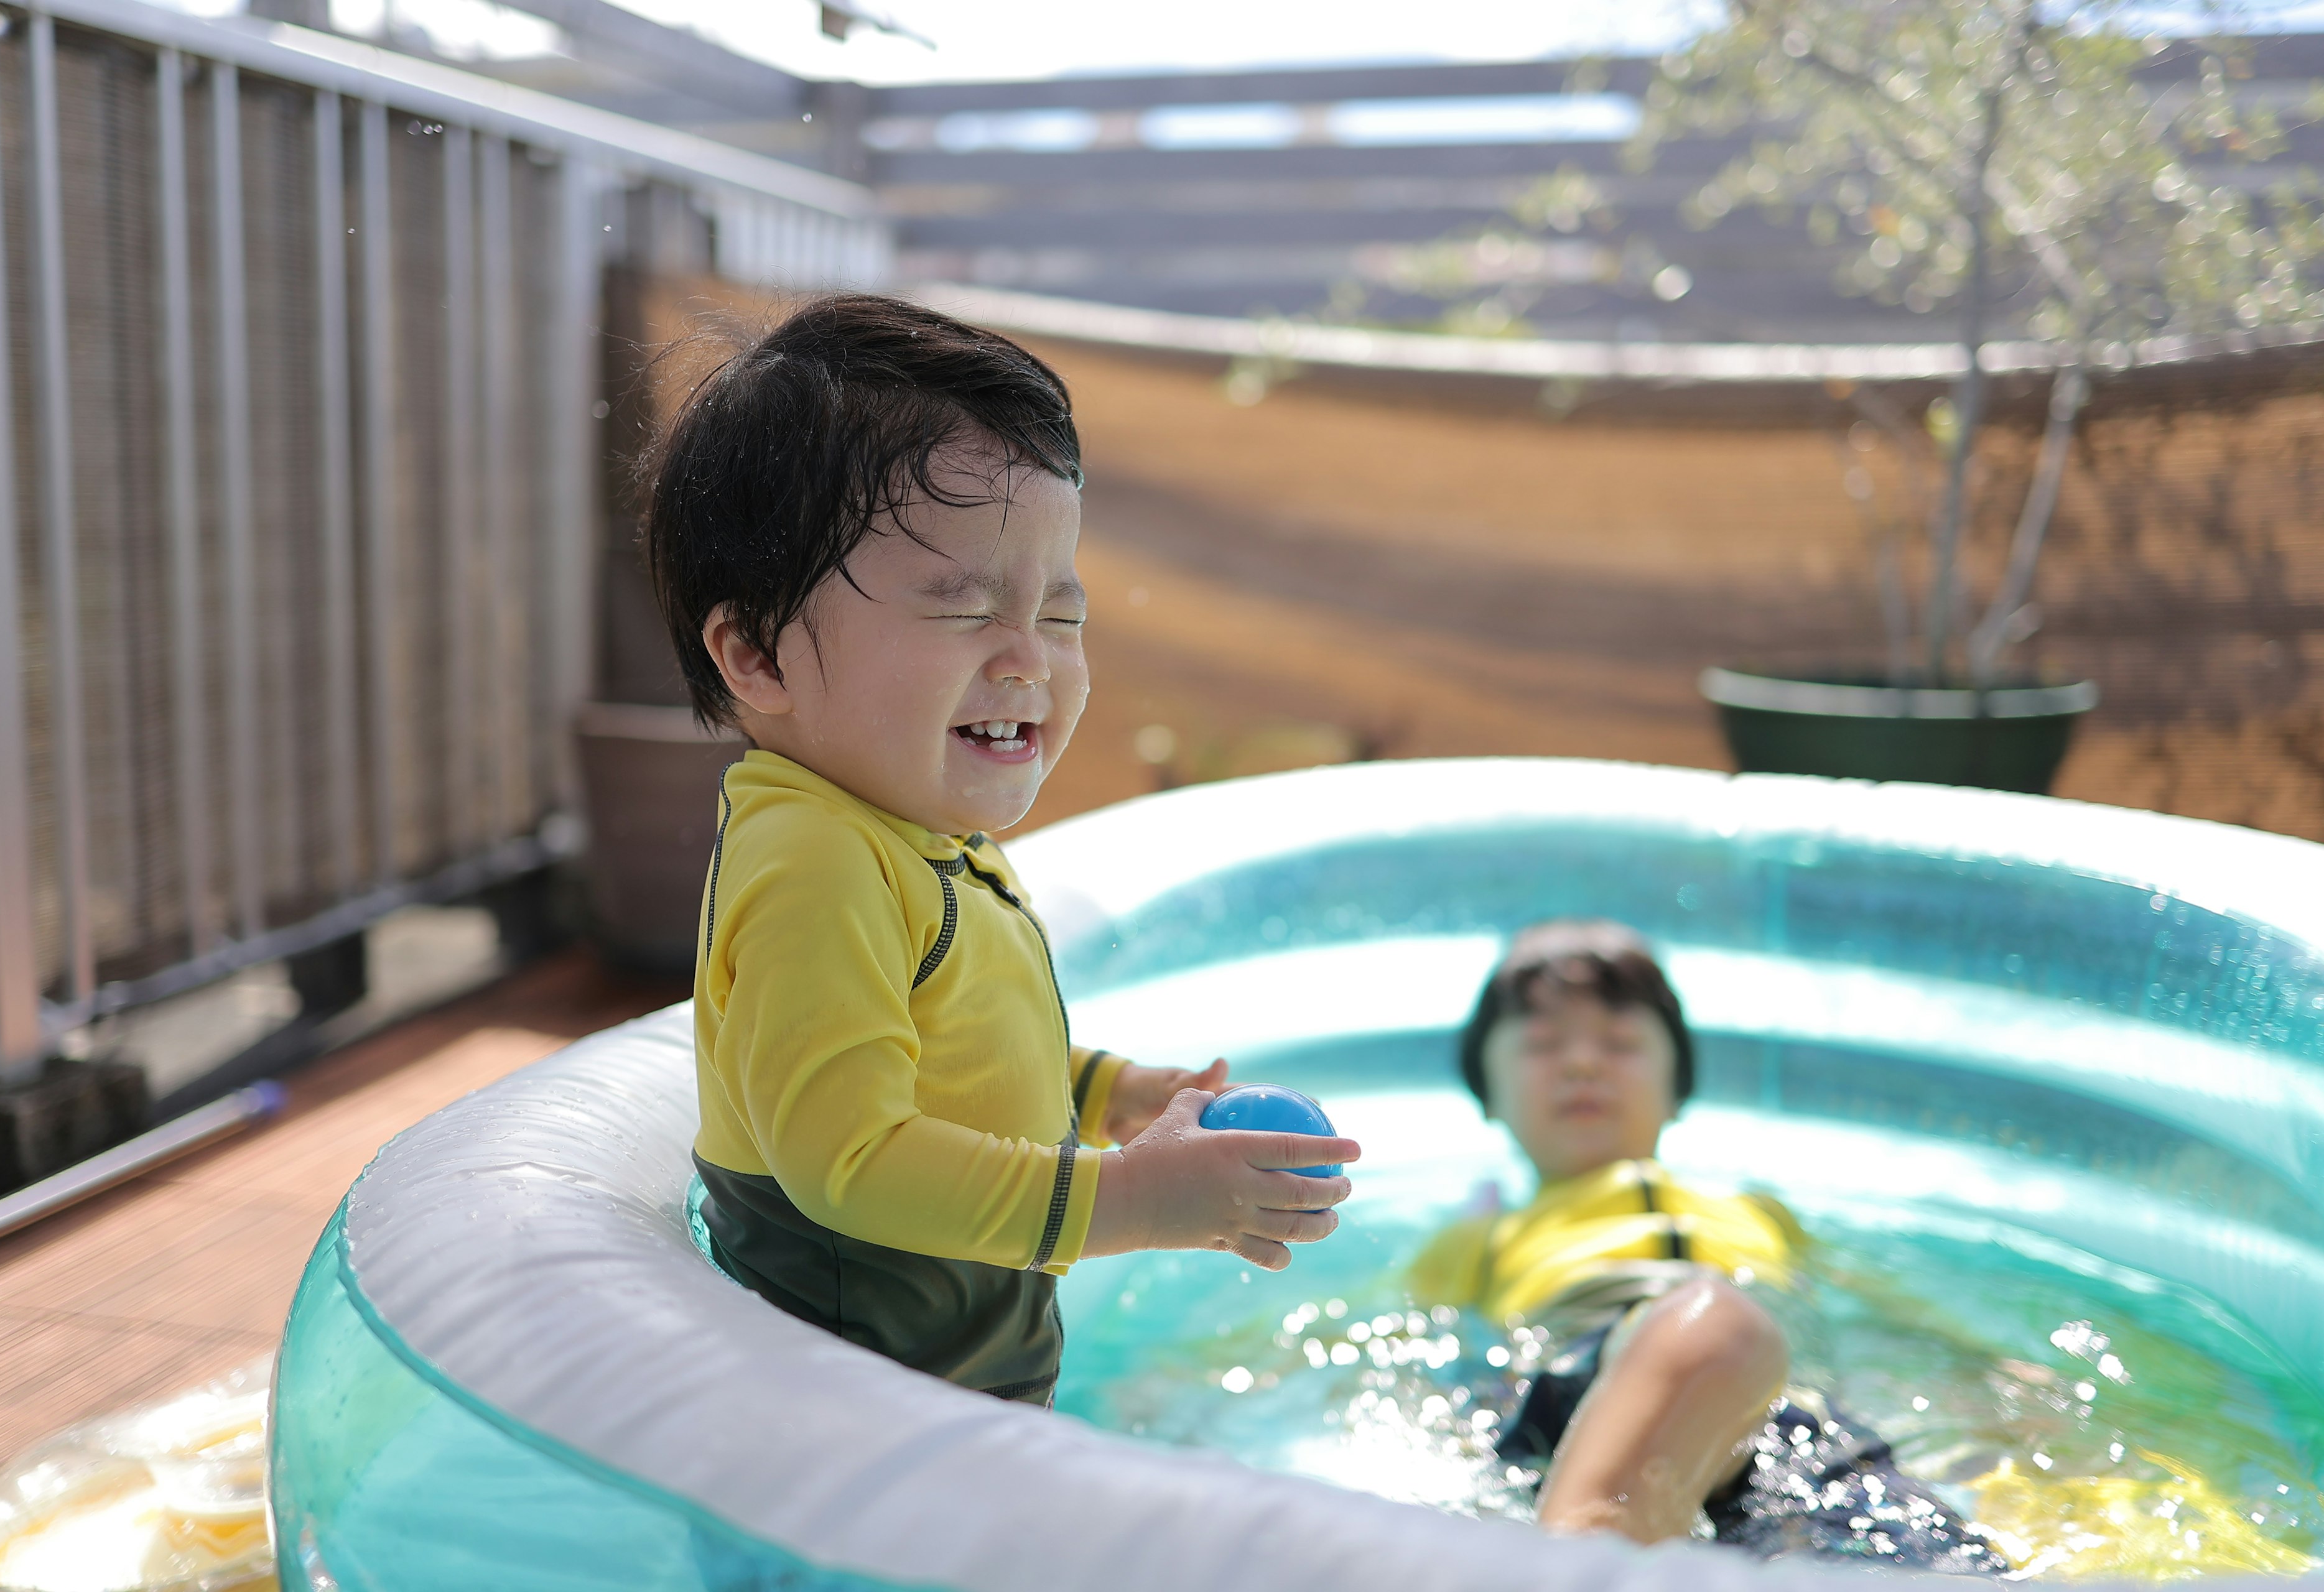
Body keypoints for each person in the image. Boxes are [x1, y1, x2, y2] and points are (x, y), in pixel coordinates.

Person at [643, 294, 1362, 1409]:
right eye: (963, 609)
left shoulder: (909, 832)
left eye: (1061, 617)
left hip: (942, 1402)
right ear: (757, 656)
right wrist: (1134, 1199)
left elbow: (952, 1060)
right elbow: (853, 1164)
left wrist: (1111, 1095)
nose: (1031, 661)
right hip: (853, 1426)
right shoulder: (816, 860)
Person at [1410, 920, 2006, 1571]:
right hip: (1589, 1401)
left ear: (1677, 1091)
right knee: (1715, 1326)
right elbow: (1424, 1348)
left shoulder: (1761, 1213)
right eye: (1543, 1044)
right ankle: (1579, 1561)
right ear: (1487, 1095)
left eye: (1621, 1042)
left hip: (1781, 1422)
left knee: (1921, 1555)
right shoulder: (1480, 1238)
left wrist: (1987, 1366)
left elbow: (1885, 1311)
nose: (1582, 1063)